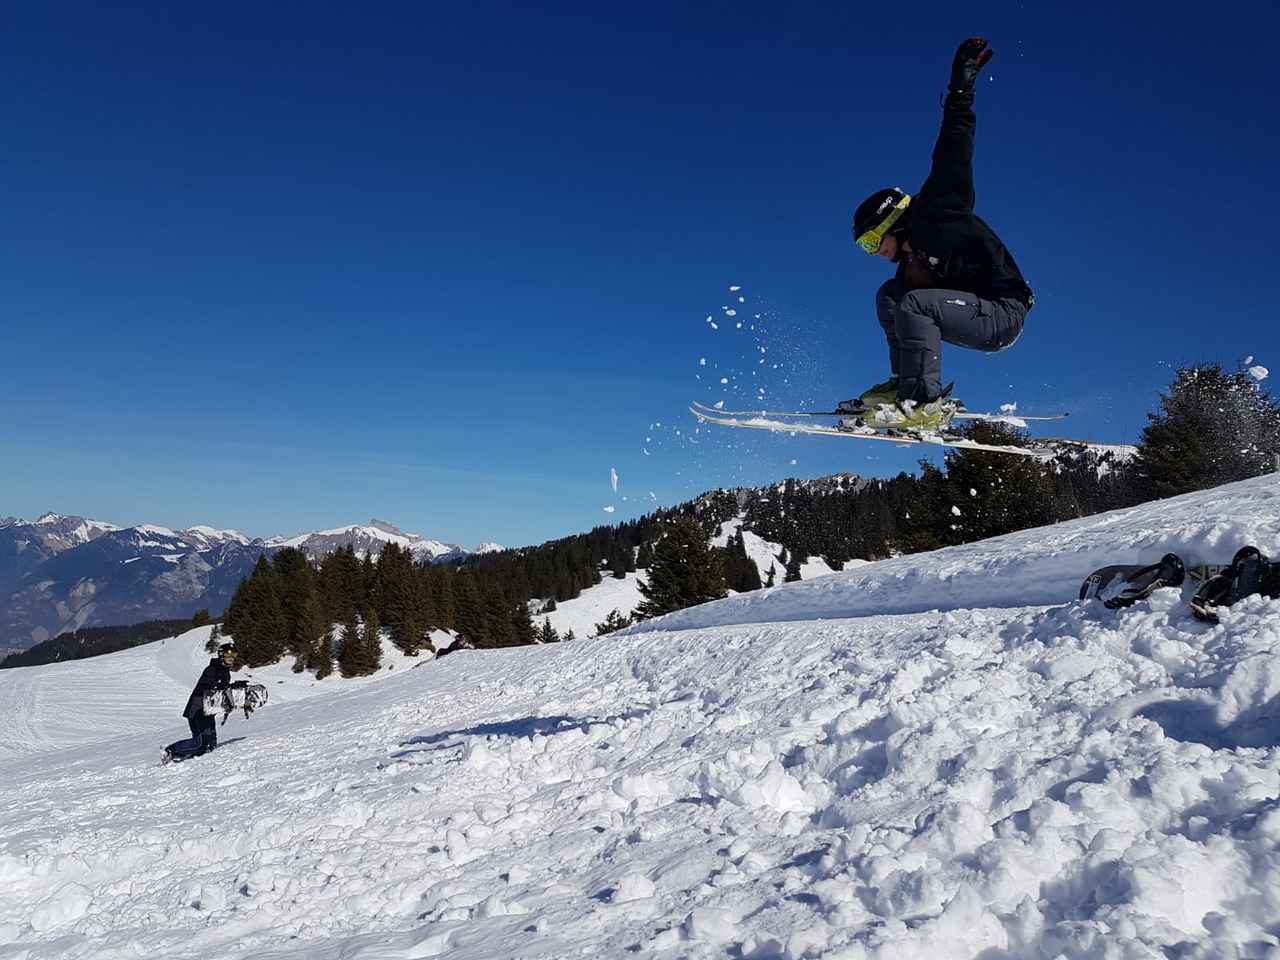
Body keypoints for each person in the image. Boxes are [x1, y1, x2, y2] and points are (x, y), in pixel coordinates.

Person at [841, 37, 1034, 432]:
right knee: (891, 297)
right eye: (865, 247)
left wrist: (962, 88)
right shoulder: (909, 265)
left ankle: (924, 404)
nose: (874, 252)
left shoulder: (938, 209)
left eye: (872, 242)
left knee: (914, 304)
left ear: (891, 223)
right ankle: (905, 387)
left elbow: (954, 144)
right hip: (971, 307)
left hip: (1003, 310)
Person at [164, 641, 245, 762]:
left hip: (208, 710)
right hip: (197, 709)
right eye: (228, 655)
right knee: (200, 744)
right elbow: (205, 689)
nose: (231, 658)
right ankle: (170, 751)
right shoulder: (212, 669)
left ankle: (186, 757)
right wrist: (220, 688)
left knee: (210, 745)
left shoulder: (224, 670)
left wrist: (234, 686)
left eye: (234, 655)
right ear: (221, 655)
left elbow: (220, 688)